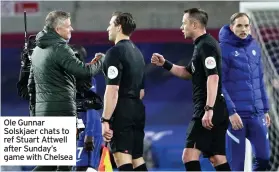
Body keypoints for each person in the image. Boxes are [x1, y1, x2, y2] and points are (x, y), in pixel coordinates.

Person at [151, 8, 231, 171]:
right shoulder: (201, 45)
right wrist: (165, 63)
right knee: (217, 158)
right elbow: (188, 73)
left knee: (189, 156)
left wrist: (208, 109)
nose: (182, 27)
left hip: (208, 109)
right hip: (217, 108)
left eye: (184, 23)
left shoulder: (206, 46)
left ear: (194, 24)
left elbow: (213, 77)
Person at [29, 11, 104, 171]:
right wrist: (100, 62)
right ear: (58, 29)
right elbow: (84, 72)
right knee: (63, 164)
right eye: (68, 26)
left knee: (48, 163)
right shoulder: (60, 49)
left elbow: (30, 86)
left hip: (43, 111)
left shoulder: (37, 51)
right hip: (61, 111)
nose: (72, 30)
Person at [219, 12, 271, 171]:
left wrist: (265, 109)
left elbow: (259, 80)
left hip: (257, 114)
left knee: (264, 159)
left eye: (246, 25)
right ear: (231, 27)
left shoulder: (254, 46)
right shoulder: (222, 49)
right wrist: (231, 111)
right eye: (239, 25)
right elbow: (219, 84)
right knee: (237, 166)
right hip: (236, 117)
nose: (243, 29)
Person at [101, 12, 147, 171]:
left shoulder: (114, 52)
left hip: (122, 111)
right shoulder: (138, 53)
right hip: (137, 109)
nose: (108, 28)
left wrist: (105, 120)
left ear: (119, 27)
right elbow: (141, 92)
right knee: (137, 158)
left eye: (110, 24)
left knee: (122, 157)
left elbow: (113, 89)